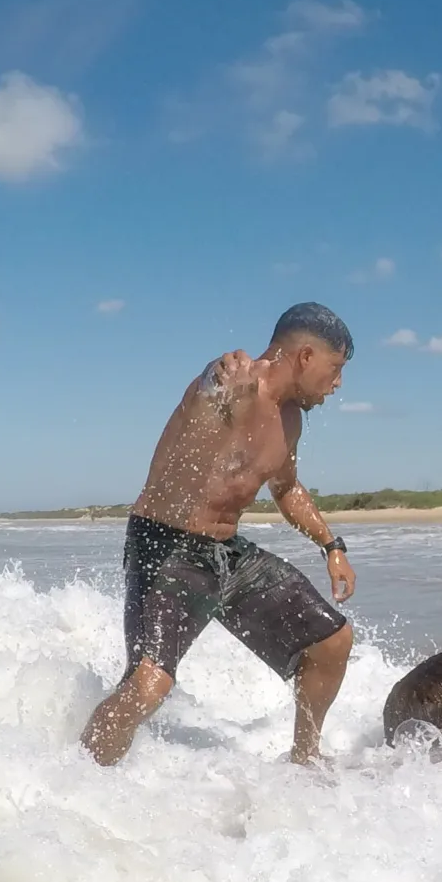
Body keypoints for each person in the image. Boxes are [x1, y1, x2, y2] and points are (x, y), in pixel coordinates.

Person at [82, 303, 359, 766]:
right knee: (150, 684)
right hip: (165, 547)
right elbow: (212, 390)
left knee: (332, 642)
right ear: (306, 356)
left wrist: (332, 546)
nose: (338, 384)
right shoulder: (233, 381)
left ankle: (305, 762)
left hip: (224, 553)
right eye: (336, 369)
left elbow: (286, 488)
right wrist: (218, 373)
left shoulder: (290, 420)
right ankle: (77, 775)